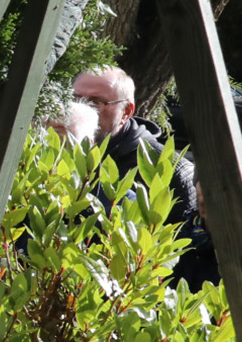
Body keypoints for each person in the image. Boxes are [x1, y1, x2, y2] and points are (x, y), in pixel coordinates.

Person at [74, 65, 212, 286]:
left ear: (127, 112)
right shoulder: (60, 150)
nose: (82, 109)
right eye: (75, 98)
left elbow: (182, 254)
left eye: (96, 102)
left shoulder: (169, 170)